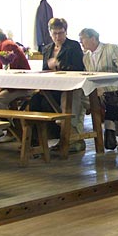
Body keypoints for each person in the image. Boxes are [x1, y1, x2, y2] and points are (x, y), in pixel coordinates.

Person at [78, 28, 118, 150]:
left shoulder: (110, 48)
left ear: (93, 38)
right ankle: (110, 129)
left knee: (112, 97)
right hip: (94, 91)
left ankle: (109, 129)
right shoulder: (85, 56)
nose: (81, 42)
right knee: (81, 97)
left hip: (111, 88)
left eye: (82, 39)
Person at [38, 18, 86, 152]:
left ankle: (71, 139)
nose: (57, 36)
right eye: (55, 33)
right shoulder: (47, 48)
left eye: (60, 33)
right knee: (34, 101)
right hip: (52, 86)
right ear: (50, 33)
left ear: (66, 32)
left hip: (70, 86)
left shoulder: (73, 46)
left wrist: (59, 65)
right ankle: (35, 142)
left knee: (67, 103)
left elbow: (78, 67)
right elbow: (44, 69)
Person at [0, 28, 31, 141]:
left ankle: (9, 128)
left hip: (18, 85)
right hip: (8, 85)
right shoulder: (0, 47)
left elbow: (9, 68)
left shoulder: (8, 45)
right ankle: (4, 129)